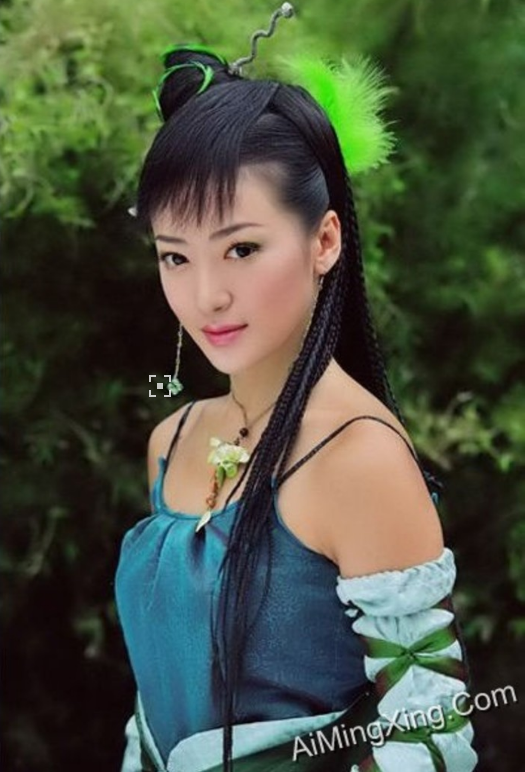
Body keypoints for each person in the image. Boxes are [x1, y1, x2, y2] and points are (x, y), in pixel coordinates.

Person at [115, 4, 478, 771]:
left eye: (241, 249)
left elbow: (429, 735)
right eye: (175, 256)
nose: (206, 295)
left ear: (324, 241)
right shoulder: (172, 441)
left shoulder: (358, 458)